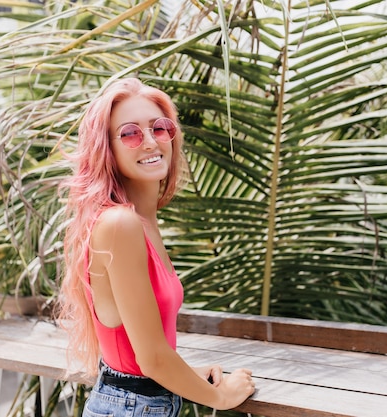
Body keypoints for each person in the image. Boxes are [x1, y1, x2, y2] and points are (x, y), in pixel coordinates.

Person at [58, 78, 255, 417]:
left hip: (139, 402)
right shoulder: (121, 225)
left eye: (160, 129)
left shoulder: (141, 222)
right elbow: (150, 359)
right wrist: (222, 398)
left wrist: (187, 376)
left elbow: (141, 355)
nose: (150, 142)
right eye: (130, 133)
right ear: (107, 149)